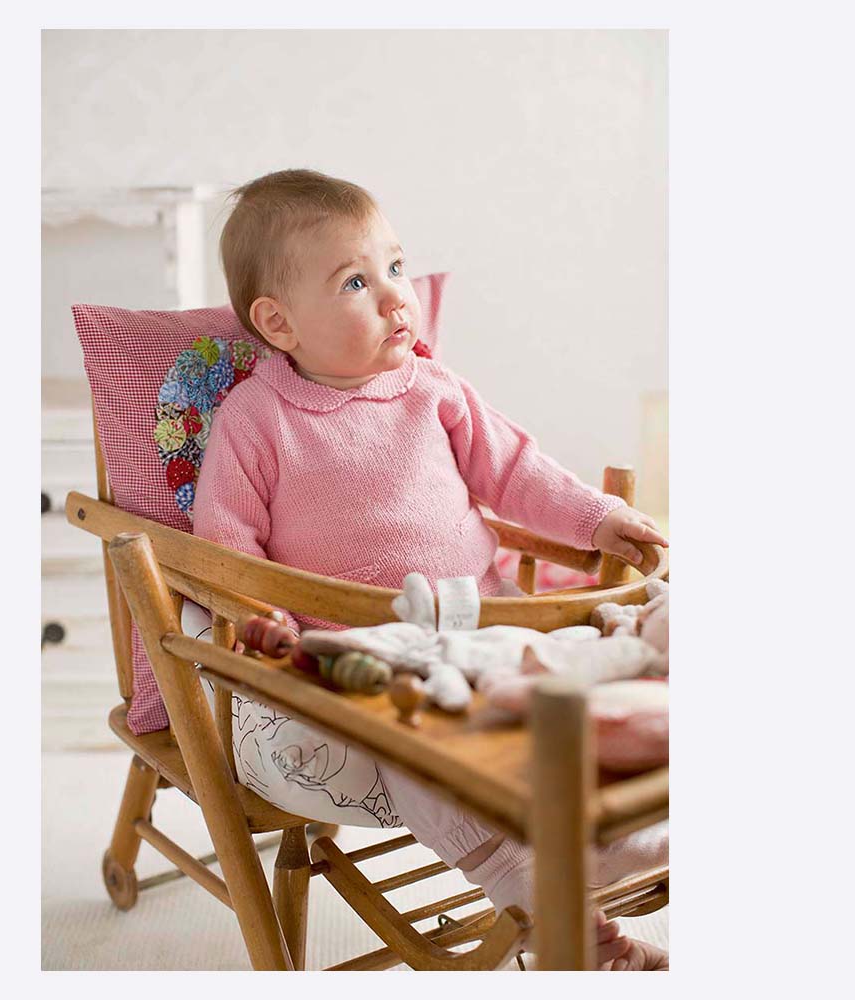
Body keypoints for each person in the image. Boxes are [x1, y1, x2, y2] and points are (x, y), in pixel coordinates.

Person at [193, 169, 669, 970]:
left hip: (485, 621)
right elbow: (225, 542)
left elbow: (517, 471)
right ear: (278, 322)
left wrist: (597, 517)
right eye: (356, 282)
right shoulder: (256, 420)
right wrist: (254, 617)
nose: (395, 297)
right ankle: (559, 914)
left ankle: (617, 824)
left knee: (582, 671)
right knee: (414, 745)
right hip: (364, 656)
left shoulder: (433, 389)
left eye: (396, 267)